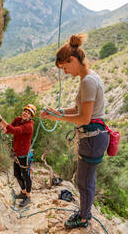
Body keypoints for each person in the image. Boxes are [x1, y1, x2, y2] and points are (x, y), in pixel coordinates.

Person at [40, 34, 109, 229]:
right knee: (87, 180)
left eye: (65, 68)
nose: (66, 72)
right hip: (96, 136)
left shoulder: (87, 81)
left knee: (83, 182)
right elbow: (80, 109)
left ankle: (84, 218)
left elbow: (84, 118)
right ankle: (85, 212)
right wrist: (59, 111)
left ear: (71, 60)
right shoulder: (90, 77)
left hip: (92, 137)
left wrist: (58, 118)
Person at [0, 104, 36, 207]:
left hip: (24, 155)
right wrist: (1, 125)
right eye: (25, 111)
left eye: (29, 113)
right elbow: (9, 130)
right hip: (17, 153)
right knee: (17, 174)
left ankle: (28, 196)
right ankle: (23, 193)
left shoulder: (29, 126)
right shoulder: (18, 119)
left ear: (31, 116)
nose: (26, 113)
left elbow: (15, 131)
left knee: (26, 177)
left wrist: (1, 120)